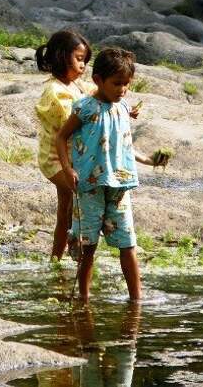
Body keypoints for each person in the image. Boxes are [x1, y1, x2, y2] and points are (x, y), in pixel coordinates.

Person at [56, 48, 166, 302]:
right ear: (98, 80)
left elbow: (123, 144)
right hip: (90, 187)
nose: (122, 90)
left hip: (120, 186)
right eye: (117, 84)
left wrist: (149, 160)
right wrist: (67, 167)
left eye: (126, 85)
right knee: (88, 246)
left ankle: (136, 299)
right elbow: (61, 138)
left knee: (128, 244)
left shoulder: (123, 107)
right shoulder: (85, 108)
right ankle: (84, 298)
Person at [35, 30, 95, 261]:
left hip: (72, 158)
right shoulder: (55, 92)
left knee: (64, 211)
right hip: (55, 160)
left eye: (85, 61)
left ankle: (55, 259)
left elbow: (97, 93)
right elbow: (73, 124)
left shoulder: (75, 85)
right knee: (80, 192)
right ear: (61, 57)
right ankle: (77, 244)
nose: (83, 66)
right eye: (79, 59)